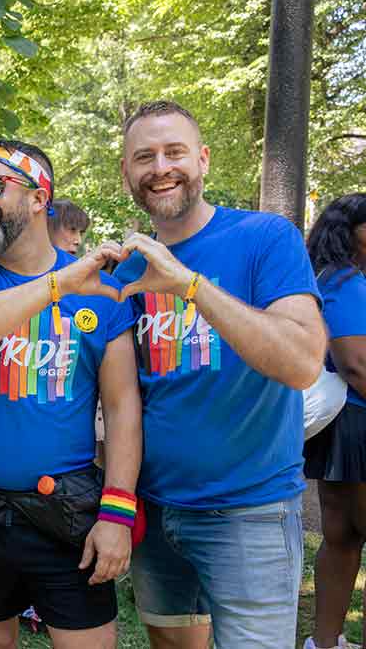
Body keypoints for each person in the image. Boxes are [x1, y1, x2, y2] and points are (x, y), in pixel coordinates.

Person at [112, 101, 326, 648]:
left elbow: (302, 361)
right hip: (158, 511)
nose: (161, 166)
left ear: (203, 160)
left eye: (174, 152)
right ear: (127, 174)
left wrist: (190, 285)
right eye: (144, 157)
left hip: (249, 514)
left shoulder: (266, 238)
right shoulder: (129, 269)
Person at [0, 139, 142, 649]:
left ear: (40, 196)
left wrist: (117, 512)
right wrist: (59, 284)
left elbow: (122, 407)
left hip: (66, 513)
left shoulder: (102, 292)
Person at [303, 193, 366, 649]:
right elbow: (356, 364)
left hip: (343, 425)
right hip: (357, 423)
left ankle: (324, 642)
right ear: (352, 232)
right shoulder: (347, 282)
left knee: (341, 538)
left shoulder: (329, 277)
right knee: (343, 536)